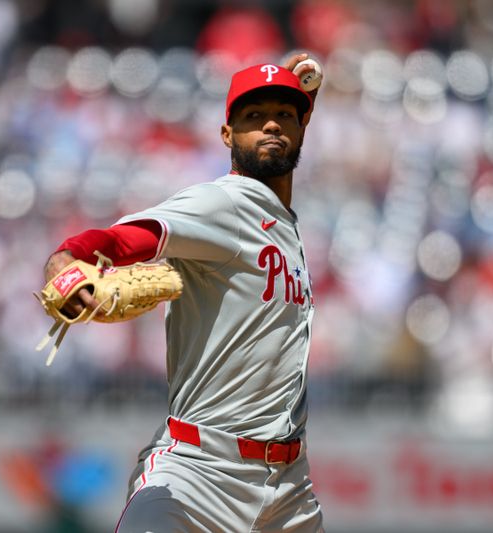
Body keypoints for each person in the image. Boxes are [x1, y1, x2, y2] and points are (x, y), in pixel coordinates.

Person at [44, 53, 324, 532]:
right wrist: (67, 260)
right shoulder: (226, 202)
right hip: (198, 475)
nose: (271, 126)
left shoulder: (285, 222)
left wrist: (296, 95)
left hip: (288, 489)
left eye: (284, 115)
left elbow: (283, 135)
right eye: (253, 117)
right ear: (226, 135)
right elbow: (124, 240)